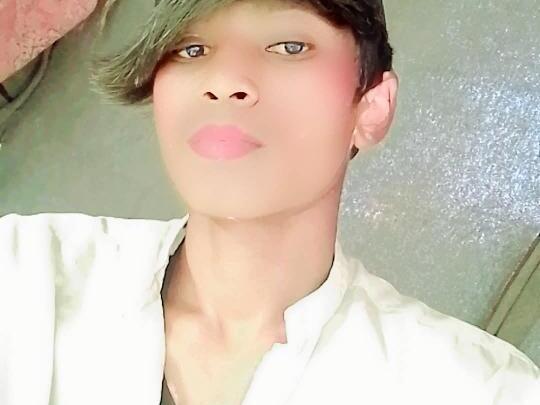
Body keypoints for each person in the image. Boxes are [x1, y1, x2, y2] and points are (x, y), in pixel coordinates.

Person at [0, 1, 538, 405]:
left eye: (288, 46)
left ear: (372, 109)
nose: (225, 81)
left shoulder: (477, 388)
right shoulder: (23, 272)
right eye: (191, 49)